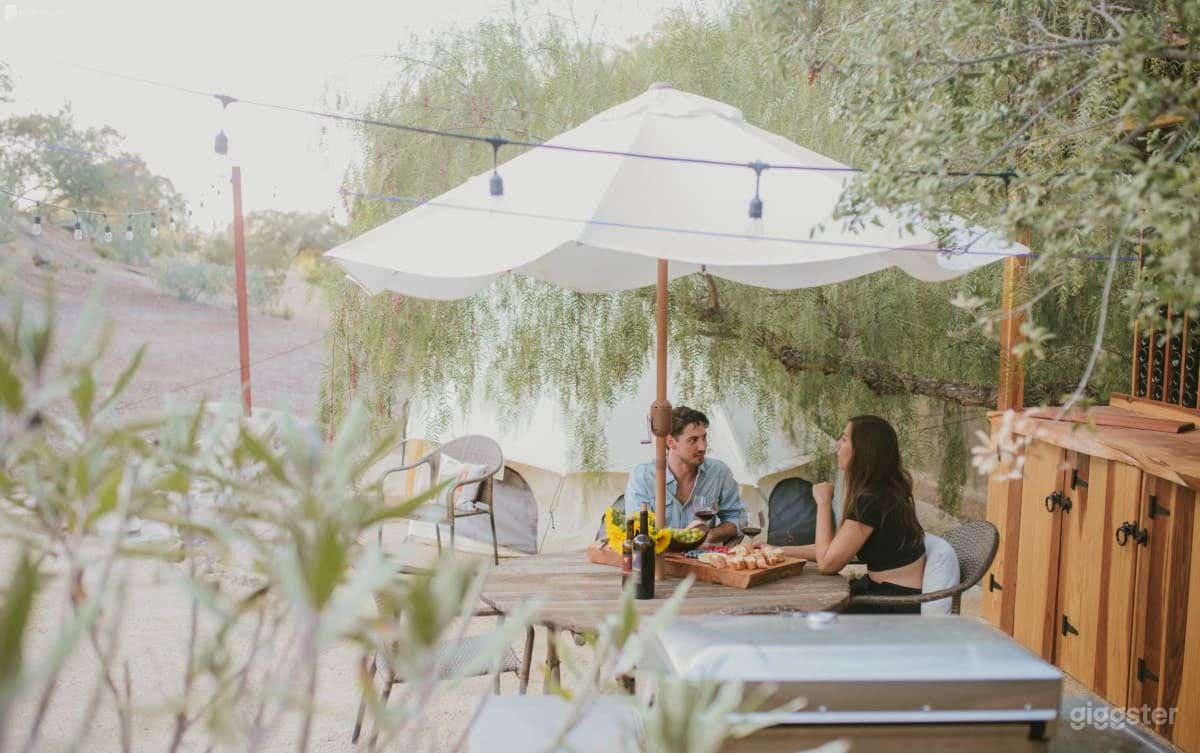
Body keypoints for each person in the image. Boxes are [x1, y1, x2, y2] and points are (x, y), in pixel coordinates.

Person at [782, 415, 926, 614]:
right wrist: (776, 551)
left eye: (844, 439)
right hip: (886, 594)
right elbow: (833, 550)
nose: (837, 445)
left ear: (864, 450)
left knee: (801, 616)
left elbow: (827, 564)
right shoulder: (881, 492)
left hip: (892, 604)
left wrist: (823, 502)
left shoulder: (872, 500)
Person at [623, 406, 746, 543]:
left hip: (701, 560)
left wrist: (710, 535)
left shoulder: (719, 473)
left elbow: (736, 518)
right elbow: (637, 528)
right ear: (670, 442)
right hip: (658, 559)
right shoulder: (643, 476)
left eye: (704, 438)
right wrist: (680, 539)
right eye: (693, 440)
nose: (702, 447)